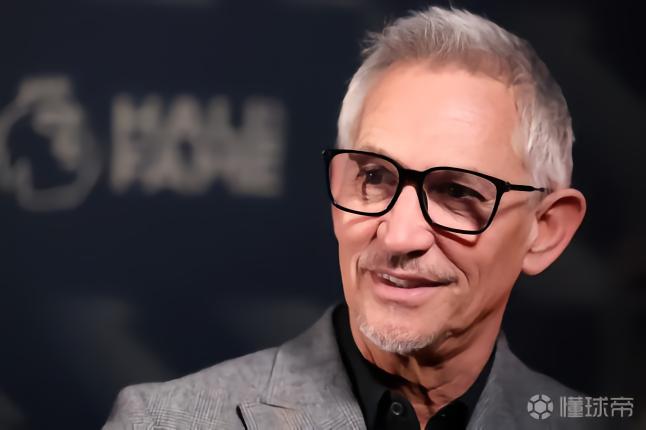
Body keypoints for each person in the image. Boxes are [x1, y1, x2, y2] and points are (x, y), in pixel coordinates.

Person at [104, 6, 590, 429]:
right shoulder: (164, 423)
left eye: (456, 192)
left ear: (545, 231)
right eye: (375, 177)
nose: (399, 236)